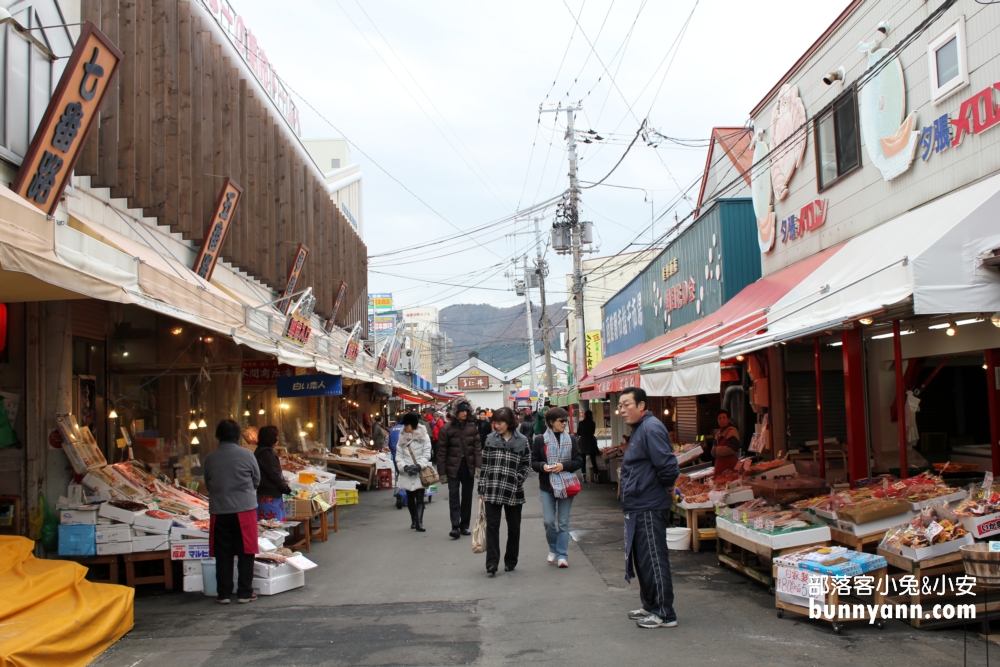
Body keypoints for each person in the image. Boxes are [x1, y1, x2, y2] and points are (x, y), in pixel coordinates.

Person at [618, 387, 679, 629]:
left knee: (653, 557)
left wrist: (667, 489)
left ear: (642, 405)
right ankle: (650, 605)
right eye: (620, 406)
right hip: (637, 504)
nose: (621, 410)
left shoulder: (651, 428)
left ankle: (665, 613)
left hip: (649, 504)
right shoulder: (640, 429)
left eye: (626, 405)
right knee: (642, 558)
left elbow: (667, 465)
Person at [204, 419, 260, 604]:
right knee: (246, 551)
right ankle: (245, 592)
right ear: (238, 436)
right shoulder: (247, 454)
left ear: (218, 436)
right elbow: (256, 479)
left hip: (220, 510)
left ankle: (224, 593)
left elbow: (208, 483)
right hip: (244, 509)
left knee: (223, 552)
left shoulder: (211, 457)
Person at [478, 407, 531, 576]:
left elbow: (526, 463)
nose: (496, 426)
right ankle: (492, 563)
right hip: (492, 488)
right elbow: (484, 465)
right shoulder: (489, 439)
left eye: (500, 423)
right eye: (495, 422)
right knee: (492, 527)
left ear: (509, 423)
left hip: (513, 489)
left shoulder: (522, 440)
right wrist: (481, 487)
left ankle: (511, 560)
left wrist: (519, 479)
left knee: (514, 528)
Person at [530, 407, 582, 568]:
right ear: (551, 422)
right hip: (547, 486)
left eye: (566, 421)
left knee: (564, 523)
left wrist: (563, 465)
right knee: (548, 521)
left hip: (567, 484)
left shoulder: (571, 439)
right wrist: (543, 466)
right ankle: (553, 548)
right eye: (561, 421)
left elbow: (578, 461)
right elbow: (533, 462)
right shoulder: (540, 440)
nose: (564, 424)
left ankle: (562, 554)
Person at [437, 401, 482, 539]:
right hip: (453, 467)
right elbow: (441, 451)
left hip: (468, 466)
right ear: (455, 412)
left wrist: (478, 466)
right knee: (454, 496)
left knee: (467, 496)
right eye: (462, 411)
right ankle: (455, 526)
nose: (464, 413)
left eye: (466, 411)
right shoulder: (447, 428)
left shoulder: (472, 427)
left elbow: (477, 448)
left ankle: (464, 525)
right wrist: (442, 472)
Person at [396, 412, 432, 532]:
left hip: (419, 471)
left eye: (407, 424)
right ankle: (414, 520)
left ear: (413, 424)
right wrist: (404, 467)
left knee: (420, 498)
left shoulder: (424, 436)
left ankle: (419, 523)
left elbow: (427, 453)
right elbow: (398, 455)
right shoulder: (401, 437)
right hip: (407, 471)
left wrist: (419, 466)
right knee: (410, 497)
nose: (405, 427)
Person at [253, 425, 291, 521]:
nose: (277, 438)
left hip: (269, 494)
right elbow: (274, 474)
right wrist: (284, 488)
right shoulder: (265, 454)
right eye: (276, 436)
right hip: (268, 496)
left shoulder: (263, 452)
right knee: (271, 524)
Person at [712, 409, 740, 474]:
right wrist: (714, 451)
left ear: (728, 420)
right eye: (720, 418)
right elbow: (713, 449)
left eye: (724, 418)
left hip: (730, 468)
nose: (722, 420)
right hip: (719, 468)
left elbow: (732, 448)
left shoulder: (732, 431)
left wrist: (716, 450)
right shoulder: (719, 433)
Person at [577, 410, 600, 483]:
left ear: (585, 415)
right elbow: (593, 432)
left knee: (583, 461)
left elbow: (578, 433)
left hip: (583, 442)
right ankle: (596, 476)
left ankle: (584, 477)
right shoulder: (593, 423)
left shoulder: (581, 423)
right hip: (591, 442)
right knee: (593, 460)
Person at [388, 415, 406, 510]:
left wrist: (393, 452)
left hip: (396, 454)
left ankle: (401, 493)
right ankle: (403, 495)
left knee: (400, 474)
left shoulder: (392, 429)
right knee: (407, 475)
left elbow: (390, 444)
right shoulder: (407, 428)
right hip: (405, 454)